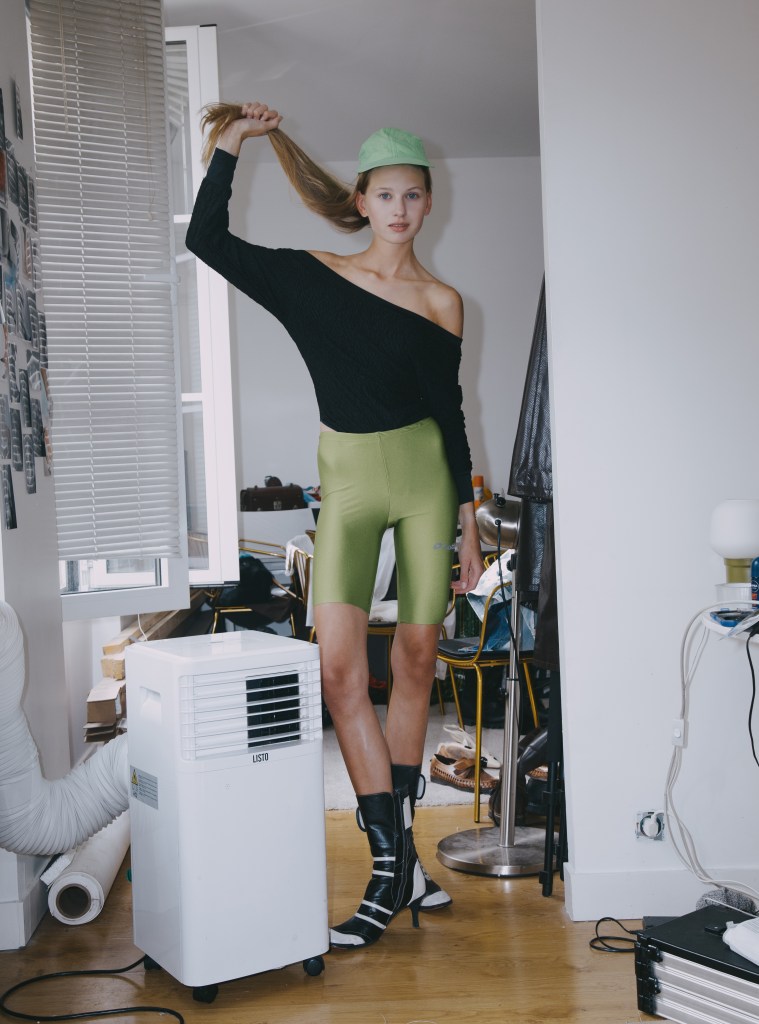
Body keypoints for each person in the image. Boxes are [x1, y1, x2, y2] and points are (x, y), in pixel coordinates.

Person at [186, 102, 484, 949]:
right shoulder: (312, 275)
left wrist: (468, 523)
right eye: (384, 194)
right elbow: (206, 239)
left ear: (428, 204)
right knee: (340, 673)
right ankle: (397, 867)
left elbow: (450, 415)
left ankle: (391, 872)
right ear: (361, 200)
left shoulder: (441, 301)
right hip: (347, 488)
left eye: (413, 195)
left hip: (426, 486)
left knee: (416, 661)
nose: (399, 209)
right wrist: (230, 145)